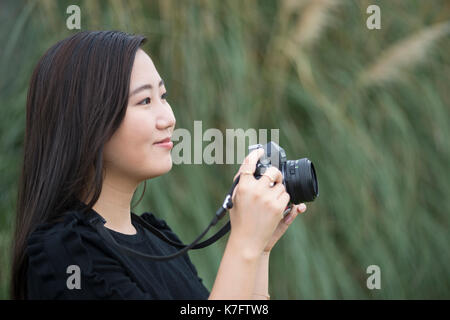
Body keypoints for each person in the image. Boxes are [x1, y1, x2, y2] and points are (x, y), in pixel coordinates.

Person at [10, 30, 307, 300]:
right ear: (87, 120)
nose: (168, 118)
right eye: (144, 101)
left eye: (163, 96)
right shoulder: (65, 255)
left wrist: (259, 251)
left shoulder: (160, 241)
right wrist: (243, 245)